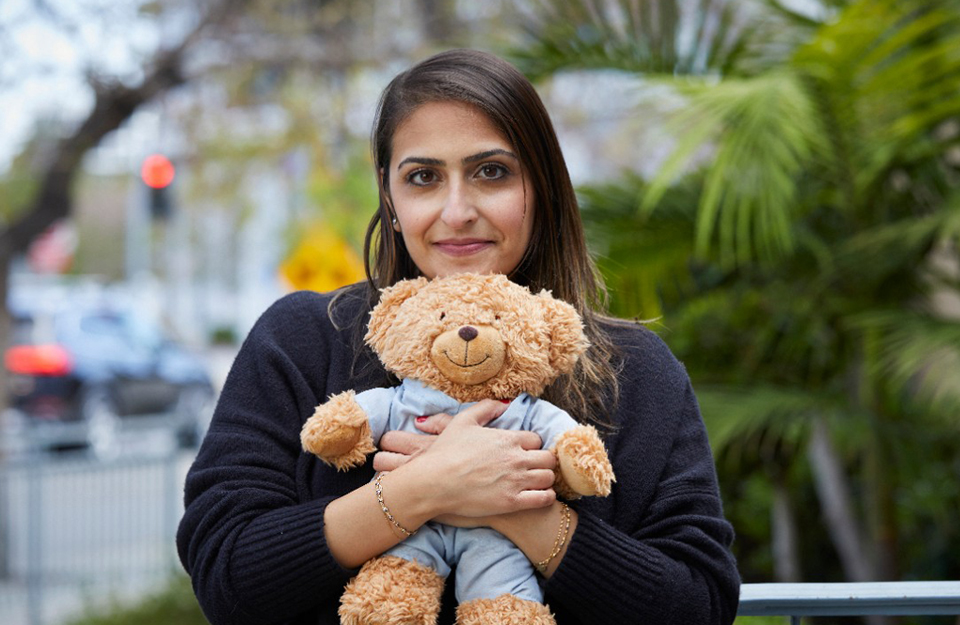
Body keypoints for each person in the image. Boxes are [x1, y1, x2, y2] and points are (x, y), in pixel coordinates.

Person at [176, 48, 741, 625]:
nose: (457, 210)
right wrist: (422, 489)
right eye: (423, 178)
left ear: (540, 187)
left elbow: (699, 603)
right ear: (390, 199)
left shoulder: (635, 370)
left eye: (491, 172)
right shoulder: (302, 340)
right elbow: (227, 575)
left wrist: (515, 504)